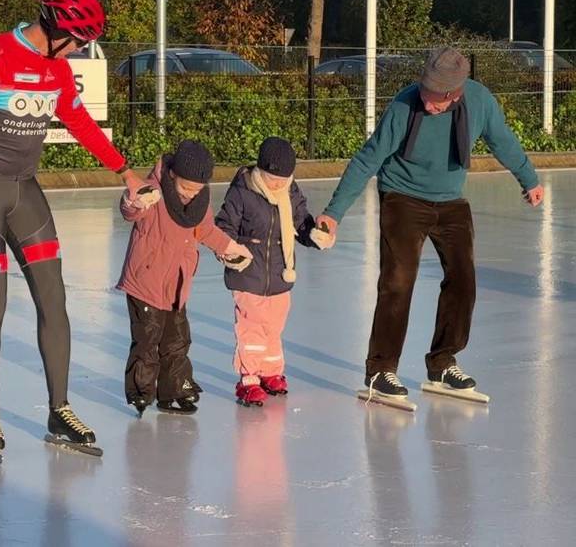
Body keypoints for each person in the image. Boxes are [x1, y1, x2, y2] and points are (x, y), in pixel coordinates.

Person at [0, 0, 152, 457]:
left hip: (25, 190)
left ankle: (58, 408)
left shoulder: (58, 70)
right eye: (80, 41)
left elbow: (81, 122)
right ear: (58, 29)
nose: (81, 49)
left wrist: (124, 171)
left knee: (54, 297)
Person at [314, 47, 544, 402]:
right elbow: (368, 158)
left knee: (463, 280)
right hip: (403, 197)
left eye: (435, 96)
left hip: (450, 199)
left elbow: (503, 140)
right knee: (397, 281)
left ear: (455, 94)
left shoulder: (480, 101)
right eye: (425, 90)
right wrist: (334, 212)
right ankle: (380, 371)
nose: (427, 100)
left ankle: (442, 362)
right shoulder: (406, 105)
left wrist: (528, 178)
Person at [118, 140, 253, 416]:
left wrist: (229, 248)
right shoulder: (153, 192)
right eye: (185, 187)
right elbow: (131, 211)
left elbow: (205, 231)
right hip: (145, 282)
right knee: (147, 340)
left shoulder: (199, 202)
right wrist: (133, 199)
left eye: (197, 189)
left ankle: (175, 389)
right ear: (171, 175)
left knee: (177, 339)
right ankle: (141, 392)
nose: (191, 194)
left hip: (177, 285)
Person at [215, 137, 316, 407]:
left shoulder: (289, 191)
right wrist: (229, 249)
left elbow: (301, 220)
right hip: (248, 271)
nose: (279, 185)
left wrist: (314, 234)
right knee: (251, 328)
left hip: (280, 273)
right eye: (273, 179)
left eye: (284, 179)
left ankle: (271, 372)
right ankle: (249, 378)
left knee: (273, 327)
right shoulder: (242, 191)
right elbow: (223, 225)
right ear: (261, 172)